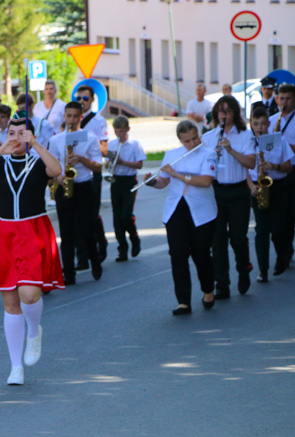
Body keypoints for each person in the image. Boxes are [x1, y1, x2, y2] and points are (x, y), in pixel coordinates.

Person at [0, 114, 63, 386]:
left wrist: (38, 145)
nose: (17, 138)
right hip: (4, 232)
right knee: (10, 302)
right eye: (12, 132)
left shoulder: (38, 161)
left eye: (22, 133)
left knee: (29, 295)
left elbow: (57, 171)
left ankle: (34, 332)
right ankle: (15, 366)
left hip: (32, 231)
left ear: (30, 135)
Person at [141, 121, 217, 315]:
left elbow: (206, 181)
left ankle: (208, 290)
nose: (192, 144)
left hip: (201, 211)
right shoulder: (172, 155)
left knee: (200, 254)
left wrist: (178, 175)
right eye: (187, 141)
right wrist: (152, 182)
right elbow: (164, 182)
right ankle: (183, 301)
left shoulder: (209, 153)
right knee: (177, 254)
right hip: (176, 209)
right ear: (180, 141)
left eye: (194, 138)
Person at [202, 95, 255, 298]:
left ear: (234, 113)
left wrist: (230, 149)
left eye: (228, 111)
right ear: (216, 113)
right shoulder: (208, 137)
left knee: (238, 238)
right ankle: (222, 283)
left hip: (238, 191)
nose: (224, 114)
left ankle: (243, 270)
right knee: (218, 240)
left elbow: (250, 163)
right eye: (221, 111)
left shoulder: (245, 135)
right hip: (216, 191)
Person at [48, 101, 103, 284]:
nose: (71, 120)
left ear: (81, 117)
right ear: (64, 116)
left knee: (86, 229)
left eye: (75, 116)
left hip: (84, 186)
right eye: (68, 116)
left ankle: (94, 261)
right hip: (64, 186)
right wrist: (59, 177)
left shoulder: (90, 137)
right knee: (67, 232)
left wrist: (81, 159)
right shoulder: (56, 140)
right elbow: (52, 165)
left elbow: (98, 167)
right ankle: (68, 273)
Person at [248, 106, 293, 282]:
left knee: (278, 227)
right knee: (261, 230)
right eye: (255, 124)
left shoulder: (278, 140)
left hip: (278, 186)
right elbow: (244, 169)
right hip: (258, 187)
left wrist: (274, 166)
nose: (259, 127)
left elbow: (289, 167)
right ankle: (263, 270)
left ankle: (282, 258)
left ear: (269, 123)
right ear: (251, 124)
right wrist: (251, 185)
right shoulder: (249, 142)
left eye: (262, 124)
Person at [75, 85, 110, 265]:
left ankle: (101, 245)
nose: (81, 102)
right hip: (74, 172)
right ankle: (82, 256)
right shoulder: (72, 119)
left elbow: (104, 149)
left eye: (85, 98)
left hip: (91, 169)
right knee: (76, 215)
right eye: (78, 98)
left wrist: (85, 141)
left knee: (91, 213)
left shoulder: (98, 121)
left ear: (92, 100)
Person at [106, 116, 145, 261]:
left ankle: (134, 239)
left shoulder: (134, 144)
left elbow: (139, 165)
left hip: (129, 181)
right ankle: (122, 249)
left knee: (126, 215)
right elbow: (106, 165)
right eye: (116, 132)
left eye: (121, 131)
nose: (118, 134)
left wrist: (123, 162)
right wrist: (111, 162)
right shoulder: (111, 144)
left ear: (127, 129)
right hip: (116, 180)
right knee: (117, 218)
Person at [268, 83, 295, 273]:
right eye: (281, 98)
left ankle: (286, 250)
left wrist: (286, 148)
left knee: (290, 216)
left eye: (288, 99)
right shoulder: (270, 121)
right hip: (276, 174)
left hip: (293, 172)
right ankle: (282, 254)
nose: (284, 102)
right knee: (277, 220)